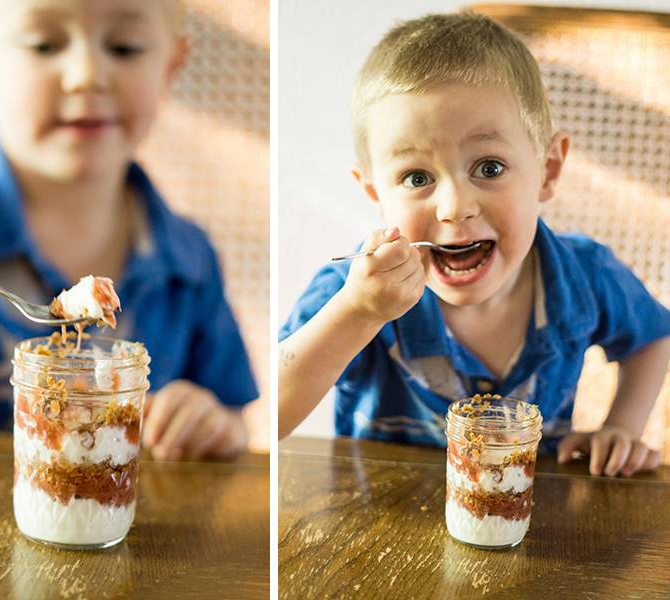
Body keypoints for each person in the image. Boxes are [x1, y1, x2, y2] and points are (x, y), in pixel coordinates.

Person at [279, 12, 670, 477]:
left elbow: (653, 336)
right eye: (417, 177)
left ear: (548, 170)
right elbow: (277, 413)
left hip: (531, 526)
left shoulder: (584, 274)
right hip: (380, 527)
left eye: (488, 168)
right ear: (376, 196)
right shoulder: (352, 293)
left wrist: (623, 426)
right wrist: (358, 313)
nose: (454, 207)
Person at [0, 0, 257, 460]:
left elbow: (234, 420)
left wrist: (213, 424)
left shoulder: (189, 259)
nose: (86, 75)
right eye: (44, 44)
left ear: (171, 64)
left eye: (124, 47)